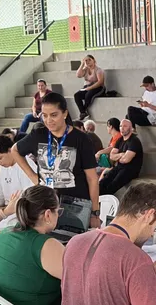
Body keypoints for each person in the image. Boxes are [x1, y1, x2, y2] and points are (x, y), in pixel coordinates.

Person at [14, 92, 101, 230]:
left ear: (65, 113)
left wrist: (95, 213)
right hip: (45, 204)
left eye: (54, 115)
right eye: (45, 115)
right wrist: (33, 177)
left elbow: (92, 179)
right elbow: (15, 151)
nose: (49, 120)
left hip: (75, 205)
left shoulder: (81, 139)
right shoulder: (39, 134)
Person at [0, 134, 37, 207]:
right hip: (8, 209)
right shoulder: (3, 167)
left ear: (10, 150)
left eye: (0, 158)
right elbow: (1, 194)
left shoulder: (26, 165)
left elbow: (30, 197)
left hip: (21, 209)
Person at [99, 118, 144, 196]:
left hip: (130, 170)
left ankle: (103, 202)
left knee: (111, 186)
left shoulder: (134, 141)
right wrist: (121, 154)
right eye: (120, 126)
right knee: (102, 182)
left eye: (125, 126)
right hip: (119, 167)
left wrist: (118, 157)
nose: (122, 128)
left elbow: (126, 160)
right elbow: (111, 156)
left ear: (130, 128)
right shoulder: (120, 140)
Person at [74, 55, 106, 120]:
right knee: (77, 95)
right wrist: (82, 64)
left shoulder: (98, 70)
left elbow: (100, 82)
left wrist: (90, 88)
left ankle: (84, 110)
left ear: (94, 60)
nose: (88, 62)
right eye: (86, 60)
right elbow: (78, 75)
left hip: (98, 87)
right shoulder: (85, 69)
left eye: (89, 60)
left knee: (88, 95)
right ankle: (83, 112)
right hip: (87, 87)